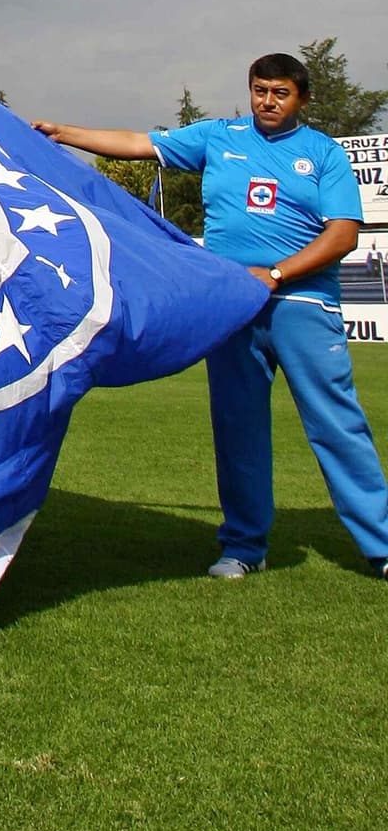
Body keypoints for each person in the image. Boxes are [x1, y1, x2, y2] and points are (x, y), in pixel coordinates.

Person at [33, 53, 388, 582]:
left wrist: (276, 274)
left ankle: (379, 543)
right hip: (232, 306)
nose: (268, 102)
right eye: (260, 90)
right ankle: (244, 546)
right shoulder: (220, 138)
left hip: (302, 306)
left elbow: (342, 235)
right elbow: (139, 144)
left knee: (336, 426)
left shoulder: (323, 154)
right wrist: (64, 133)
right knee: (237, 428)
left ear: (302, 100)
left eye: (281, 93)